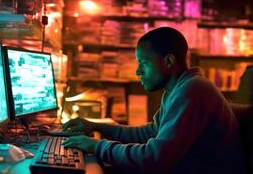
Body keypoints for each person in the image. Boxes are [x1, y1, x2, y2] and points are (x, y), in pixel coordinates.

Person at [62, 27, 245, 174]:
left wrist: (96, 145)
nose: (138, 71)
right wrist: (98, 127)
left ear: (168, 61)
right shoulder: (178, 89)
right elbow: (150, 133)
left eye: (144, 63)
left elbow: (154, 159)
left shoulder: (193, 90)